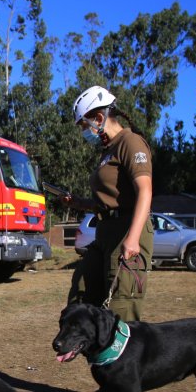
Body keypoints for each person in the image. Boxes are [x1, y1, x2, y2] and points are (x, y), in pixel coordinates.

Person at [64, 86, 154, 322]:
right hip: (105, 233)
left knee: (120, 309)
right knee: (82, 293)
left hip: (127, 230)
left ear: (100, 118)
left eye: (85, 126)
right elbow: (106, 202)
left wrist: (133, 239)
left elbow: (145, 190)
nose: (85, 132)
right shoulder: (107, 151)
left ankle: (121, 357)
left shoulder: (130, 142)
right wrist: (78, 203)